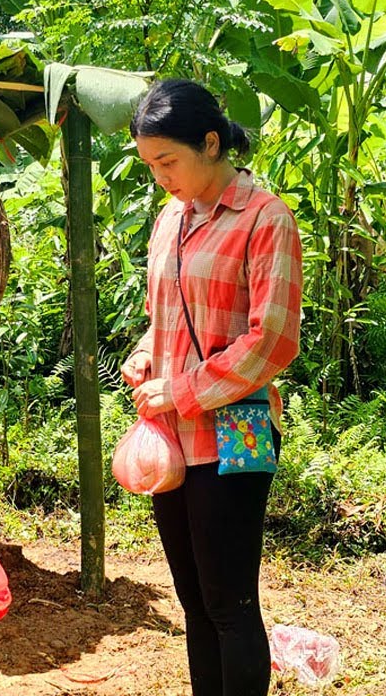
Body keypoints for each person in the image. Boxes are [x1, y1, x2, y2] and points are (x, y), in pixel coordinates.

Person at [121, 79, 302, 696]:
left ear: (211, 143)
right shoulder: (170, 219)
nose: (160, 178)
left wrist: (181, 390)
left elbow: (272, 340)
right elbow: (164, 316)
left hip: (238, 428)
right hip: (173, 435)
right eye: (150, 166)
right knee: (194, 602)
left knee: (230, 602)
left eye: (168, 162)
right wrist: (146, 355)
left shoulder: (265, 218)